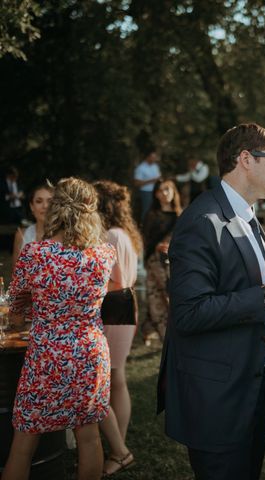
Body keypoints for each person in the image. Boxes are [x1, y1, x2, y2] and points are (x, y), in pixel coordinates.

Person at [156, 123, 265, 480]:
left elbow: (249, 286)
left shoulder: (249, 216)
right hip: (219, 397)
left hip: (255, 384)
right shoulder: (201, 221)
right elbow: (189, 313)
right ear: (245, 159)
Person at [3, 177, 116, 480]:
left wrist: (25, 314)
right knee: (88, 435)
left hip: (47, 356)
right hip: (90, 353)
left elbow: (15, 306)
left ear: (55, 209)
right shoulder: (104, 255)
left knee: (25, 439)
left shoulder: (35, 254)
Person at [94, 180, 143, 475]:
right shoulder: (125, 232)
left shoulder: (111, 234)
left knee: (111, 378)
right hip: (125, 305)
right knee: (116, 377)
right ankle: (118, 443)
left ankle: (118, 448)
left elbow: (117, 279)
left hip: (114, 305)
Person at [141, 178, 182, 346]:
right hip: (156, 262)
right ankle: (166, 335)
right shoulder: (152, 215)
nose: (165, 193)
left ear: (174, 191)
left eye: (168, 189)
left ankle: (151, 328)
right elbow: (146, 241)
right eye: (161, 190)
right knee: (162, 296)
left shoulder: (181, 215)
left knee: (170, 297)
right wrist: (158, 246)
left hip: (175, 262)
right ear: (156, 194)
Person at [12, 183, 54, 266]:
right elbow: (15, 273)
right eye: (39, 201)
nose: (45, 206)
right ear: (31, 206)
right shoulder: (21, 235)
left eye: (49, 201)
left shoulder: (65, 236)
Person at [134, 147, 162, 223]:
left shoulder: (155, 166)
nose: (155, 159)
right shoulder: (141, 168)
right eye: (153, 157)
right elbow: (137, 183)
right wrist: (151, 181)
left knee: (156, 210)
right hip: (146, 192)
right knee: (147, 210)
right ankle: (144, 226)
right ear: (148, 157)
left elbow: (158, 177)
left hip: (156, 191)